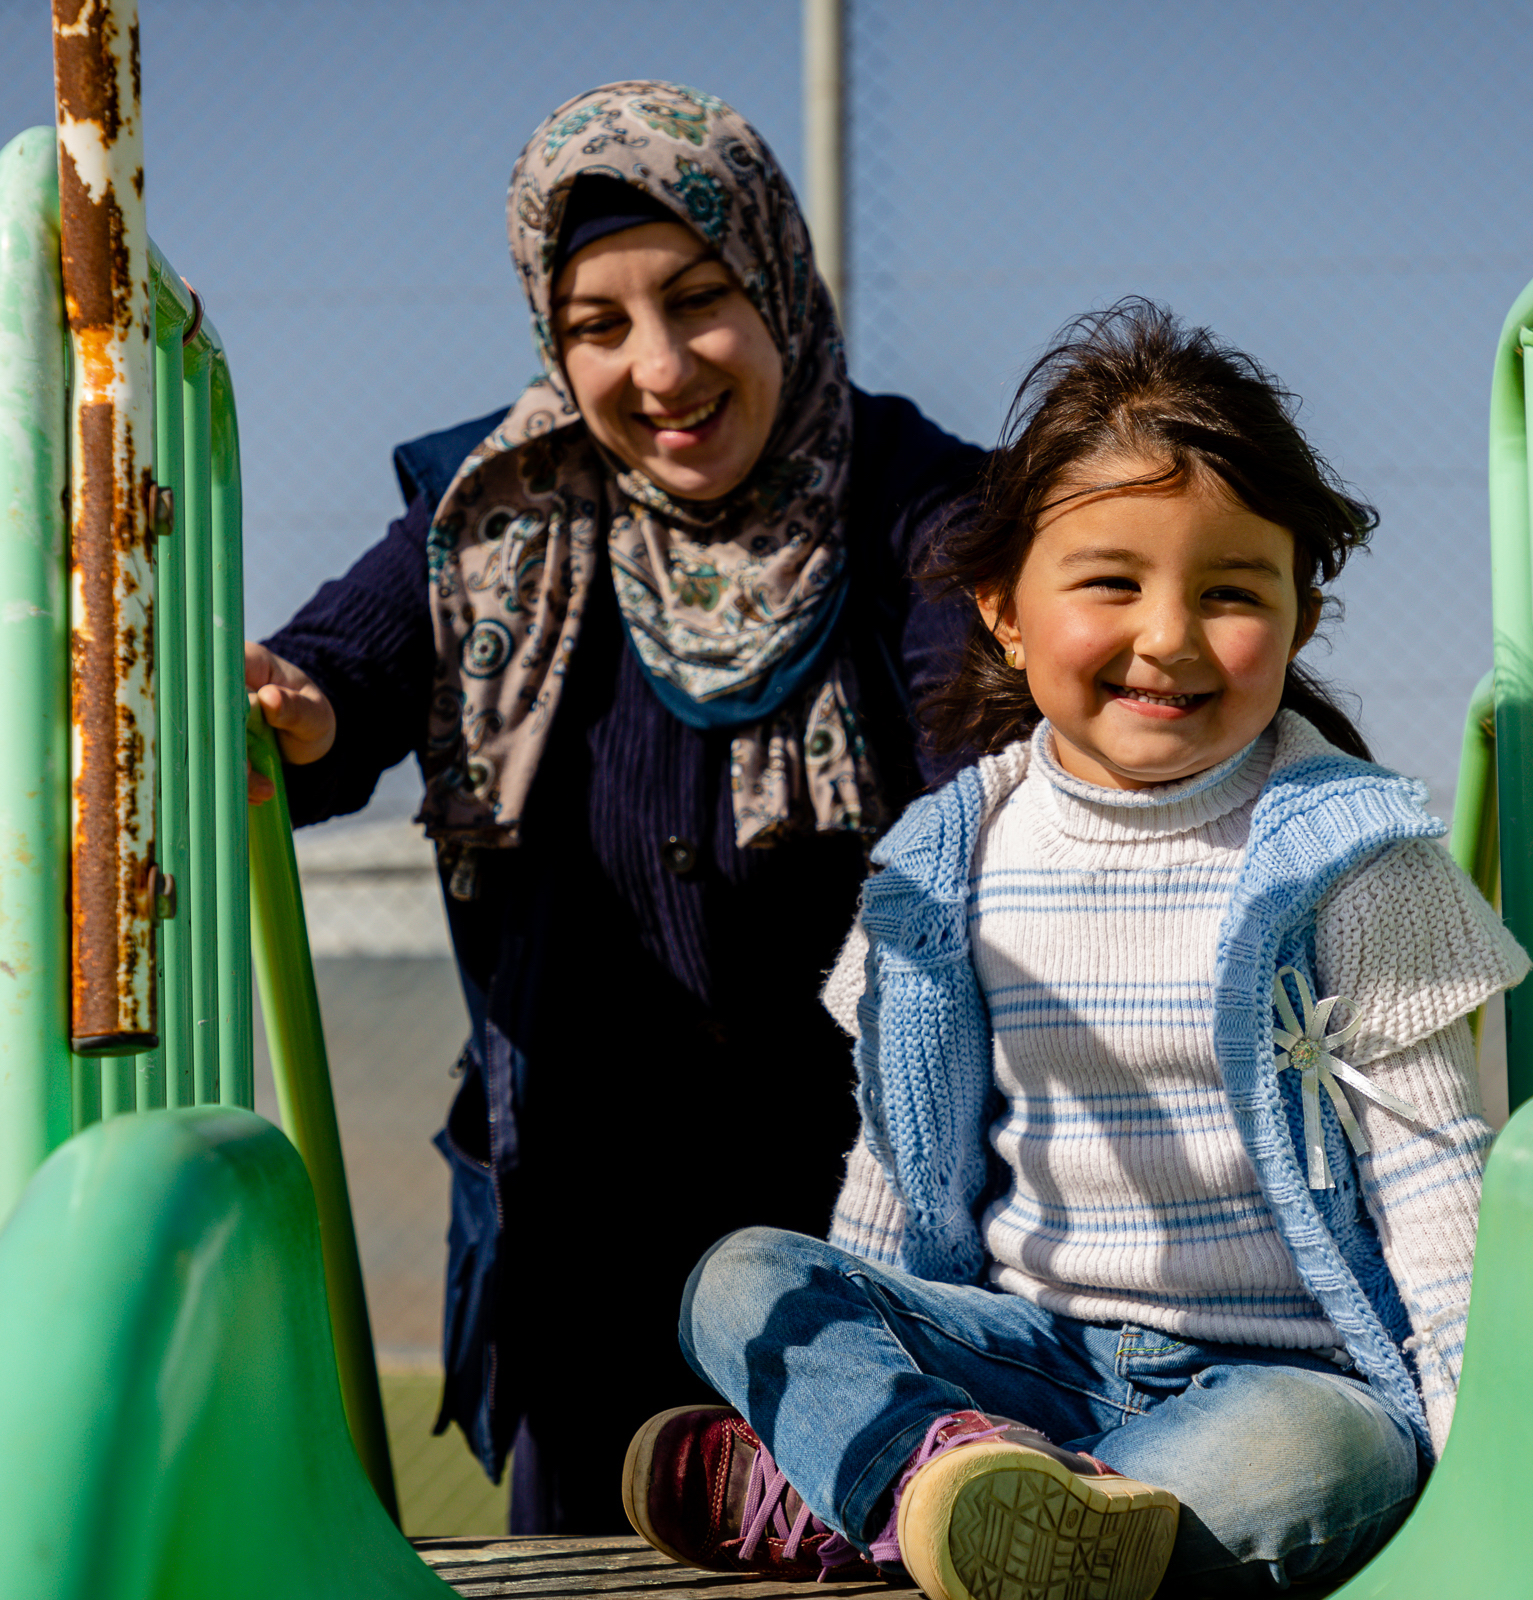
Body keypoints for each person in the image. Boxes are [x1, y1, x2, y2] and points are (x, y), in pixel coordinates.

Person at [622, 301, 1529, 1596]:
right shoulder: (946, 860)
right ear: (1002, 609)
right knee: (744, 1279)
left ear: (1300, 619)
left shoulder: (1355, 858)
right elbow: (897, 1164)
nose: (1168, 635)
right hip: (1018, 1359)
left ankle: (952, 1521)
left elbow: (1440, 1190)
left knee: (1317, 1460)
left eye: (1230, 593)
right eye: (1112, 582)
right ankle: (938, 1484)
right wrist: (876, 1389)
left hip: (1280, 1377)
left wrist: (1478, 1466)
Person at [242, 82, 987, 1534]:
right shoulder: (497, 507)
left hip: (873, 1220)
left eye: (700, 300)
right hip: (585, 1222)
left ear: (779, 280)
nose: (658, 367)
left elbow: (986, 739)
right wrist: (289, 702)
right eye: (598, 324)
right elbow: (343, 678)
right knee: (597, 1543)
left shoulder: (919, 500)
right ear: (550, 334)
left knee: (883, 1541)